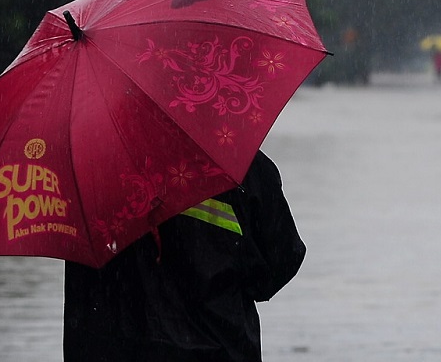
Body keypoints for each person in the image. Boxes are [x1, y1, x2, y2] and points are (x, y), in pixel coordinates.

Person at [64, 150, 306, 362]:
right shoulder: (238, 164)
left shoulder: (83, 172)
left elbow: (82, 291)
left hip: (118, 348)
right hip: (219, 347)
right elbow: (281, 261)